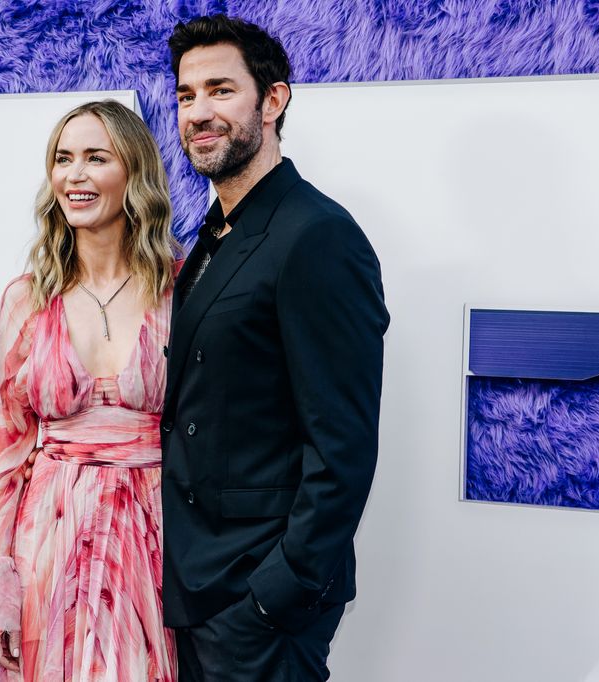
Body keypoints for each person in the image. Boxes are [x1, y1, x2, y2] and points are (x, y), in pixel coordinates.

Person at [160, 15, 390, 681]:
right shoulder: (210, 234)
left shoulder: (317, 235)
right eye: (185, 95)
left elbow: (343, 443)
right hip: (197, 584)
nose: (199, 112)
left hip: (257, 600)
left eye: (221, 90)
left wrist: (276, 594)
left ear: (274, 99)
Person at [0, 99, 179, 682]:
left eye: (94, 157)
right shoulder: (27, 299)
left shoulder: (183, 290)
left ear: (133, 172)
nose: (74, 175)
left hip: (159, 538)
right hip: (48, 542)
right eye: (63, 159)